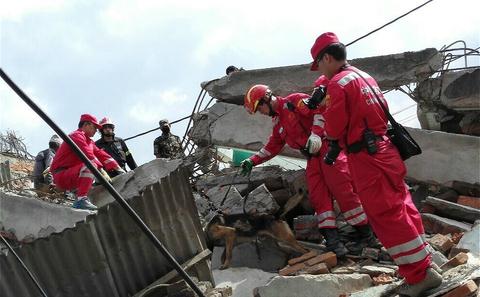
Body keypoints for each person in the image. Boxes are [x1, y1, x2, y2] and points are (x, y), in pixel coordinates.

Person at [310, 32, 442, 296]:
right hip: (385, 149)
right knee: (402, 206)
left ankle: (419, 275)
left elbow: (335, 126)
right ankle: (426, 261)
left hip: (366, 156)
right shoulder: (363, 76)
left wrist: (328, 130)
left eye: (319, 64)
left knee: (385, 215)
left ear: (326, 57)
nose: (320, 70)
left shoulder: (338, 83)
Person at [241, 84, 378, 257]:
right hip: (312, 158)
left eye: (259, 107)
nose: (261, 112)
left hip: (327, 150)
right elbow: (272, 147)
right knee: (319, 198)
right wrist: (252, 161)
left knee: (344, 191)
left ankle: (367, 236)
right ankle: (334, 242)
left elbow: (320, 111)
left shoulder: (294, 101)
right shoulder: (278, 123)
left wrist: (316, 134)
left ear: (266, 98)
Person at [50, 114, 123, 210]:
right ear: (86, 125)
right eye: (95, 127)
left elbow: (101, 154)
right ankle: (81, 200)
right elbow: (88, 155)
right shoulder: (76, 135)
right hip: (61, 174)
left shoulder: (89, 142)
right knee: (90, 165)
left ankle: (81, 196)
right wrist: (101, 171)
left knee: (92, 167)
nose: (96, 130)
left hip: (71, 174)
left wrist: (118, 168)